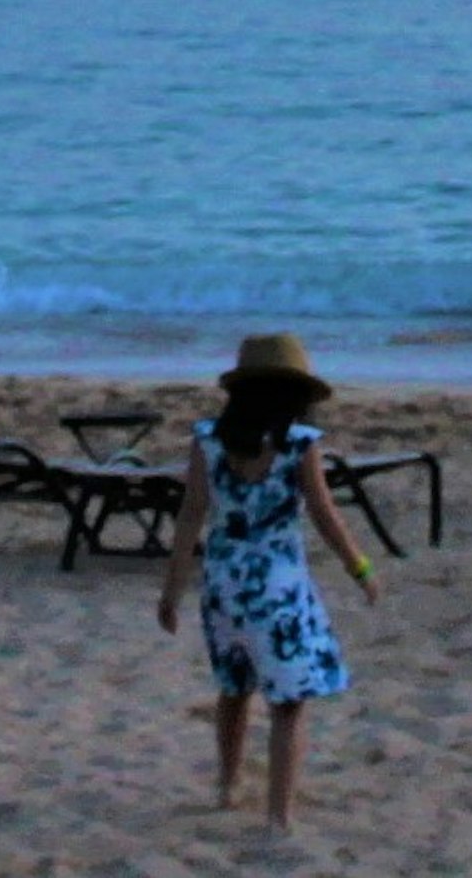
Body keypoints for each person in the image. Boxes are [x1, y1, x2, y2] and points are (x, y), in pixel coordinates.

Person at [158, 334, 382, 834]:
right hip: (278, 589)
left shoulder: (209, 439)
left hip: (223, 585)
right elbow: (324, 515)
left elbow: (191, 514)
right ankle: (279, 814)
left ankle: (226, 787)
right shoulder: (299, 444)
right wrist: (360, 568)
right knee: (287, 704)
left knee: (233, 690)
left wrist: (171, 590)